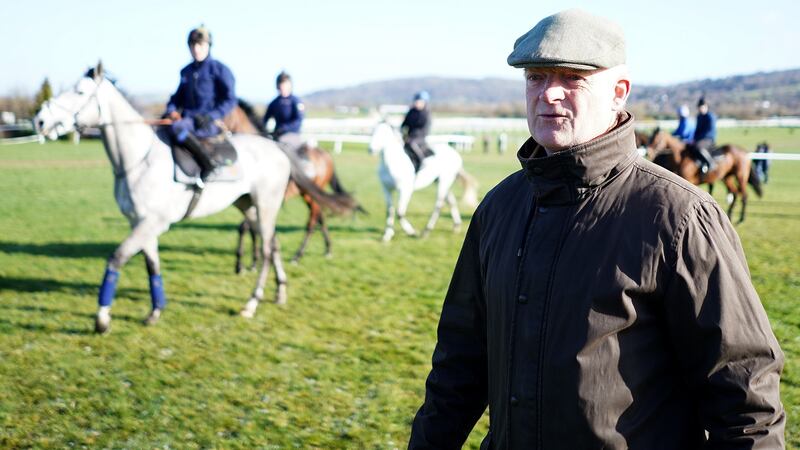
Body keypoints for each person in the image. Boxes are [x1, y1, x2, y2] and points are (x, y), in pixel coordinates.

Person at [408, 8, 784, 450]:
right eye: (536, 77)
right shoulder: (498, 208)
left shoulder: (680, 217)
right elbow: (458, 368)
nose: (549, 94)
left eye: (572, 77)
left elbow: (745, 399)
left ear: (618, 92)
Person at [164, 26, 237, 186]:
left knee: (177, 128)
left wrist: (210, 116)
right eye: (193, 45)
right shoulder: (186, 72)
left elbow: (230, 100)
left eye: (200, 45)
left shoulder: (220, 70)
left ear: (208, 46)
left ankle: (208, 164)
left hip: (210, 123)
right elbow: (176, 99)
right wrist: (170, 111)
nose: (196, 49)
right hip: (189, 122)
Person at [401, 91, 434, 172]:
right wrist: (402, 133)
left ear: (424, 102)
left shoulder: (426, 114)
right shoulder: (411, 112)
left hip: (420, 137)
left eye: (419, 101)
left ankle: (421, 161)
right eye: (416, 101)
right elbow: (405, 124)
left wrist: (411, 137)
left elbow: (423, 128)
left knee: (412, 144)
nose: (416, 103)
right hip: (409, 137)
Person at [692, 96, 718, 175]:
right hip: (700, 138)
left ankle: (710, 163)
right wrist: (694, 139)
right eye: (699, 107)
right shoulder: (699, 116)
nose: (700, 109)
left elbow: (709, 131)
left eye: (701, 107)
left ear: (706, 107)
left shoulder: (710, 116)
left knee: (698, 147)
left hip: (709, 138)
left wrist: (698, 139)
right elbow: (697, 130)